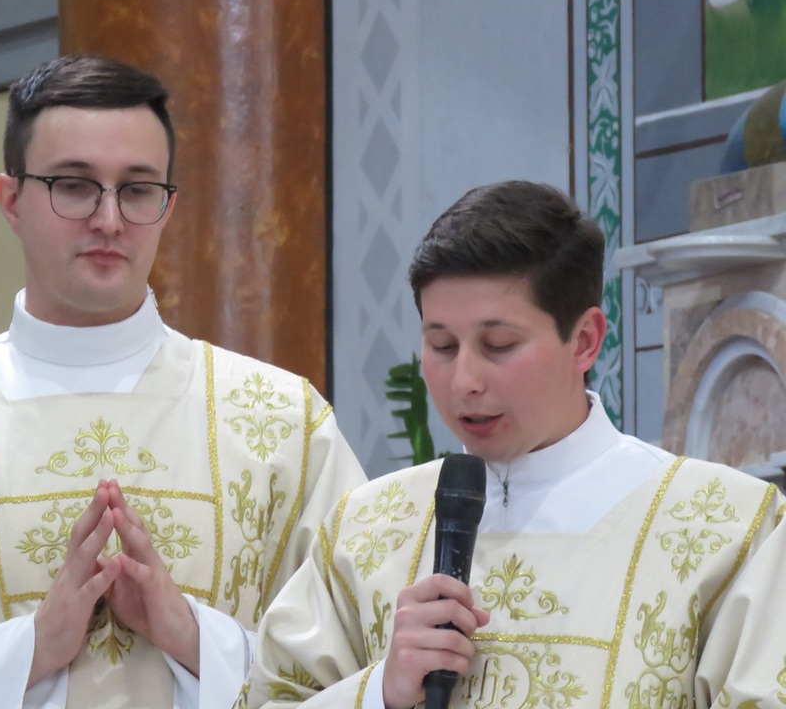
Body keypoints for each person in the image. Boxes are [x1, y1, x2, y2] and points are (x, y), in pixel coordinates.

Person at [0, 54, 367, 709]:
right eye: (74, 186)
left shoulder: (281, 423)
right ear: (10, 199)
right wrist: (17, 656)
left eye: (137, 190)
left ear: (167, 206)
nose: (108, 219)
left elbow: (370, 654)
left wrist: (195, 640)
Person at [240, 180, 786, 709]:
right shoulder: (365, 533)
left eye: (498, 345)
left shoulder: (727, 530)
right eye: (442, 345)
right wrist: (378, 692)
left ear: (585, 340)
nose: (464, 381)